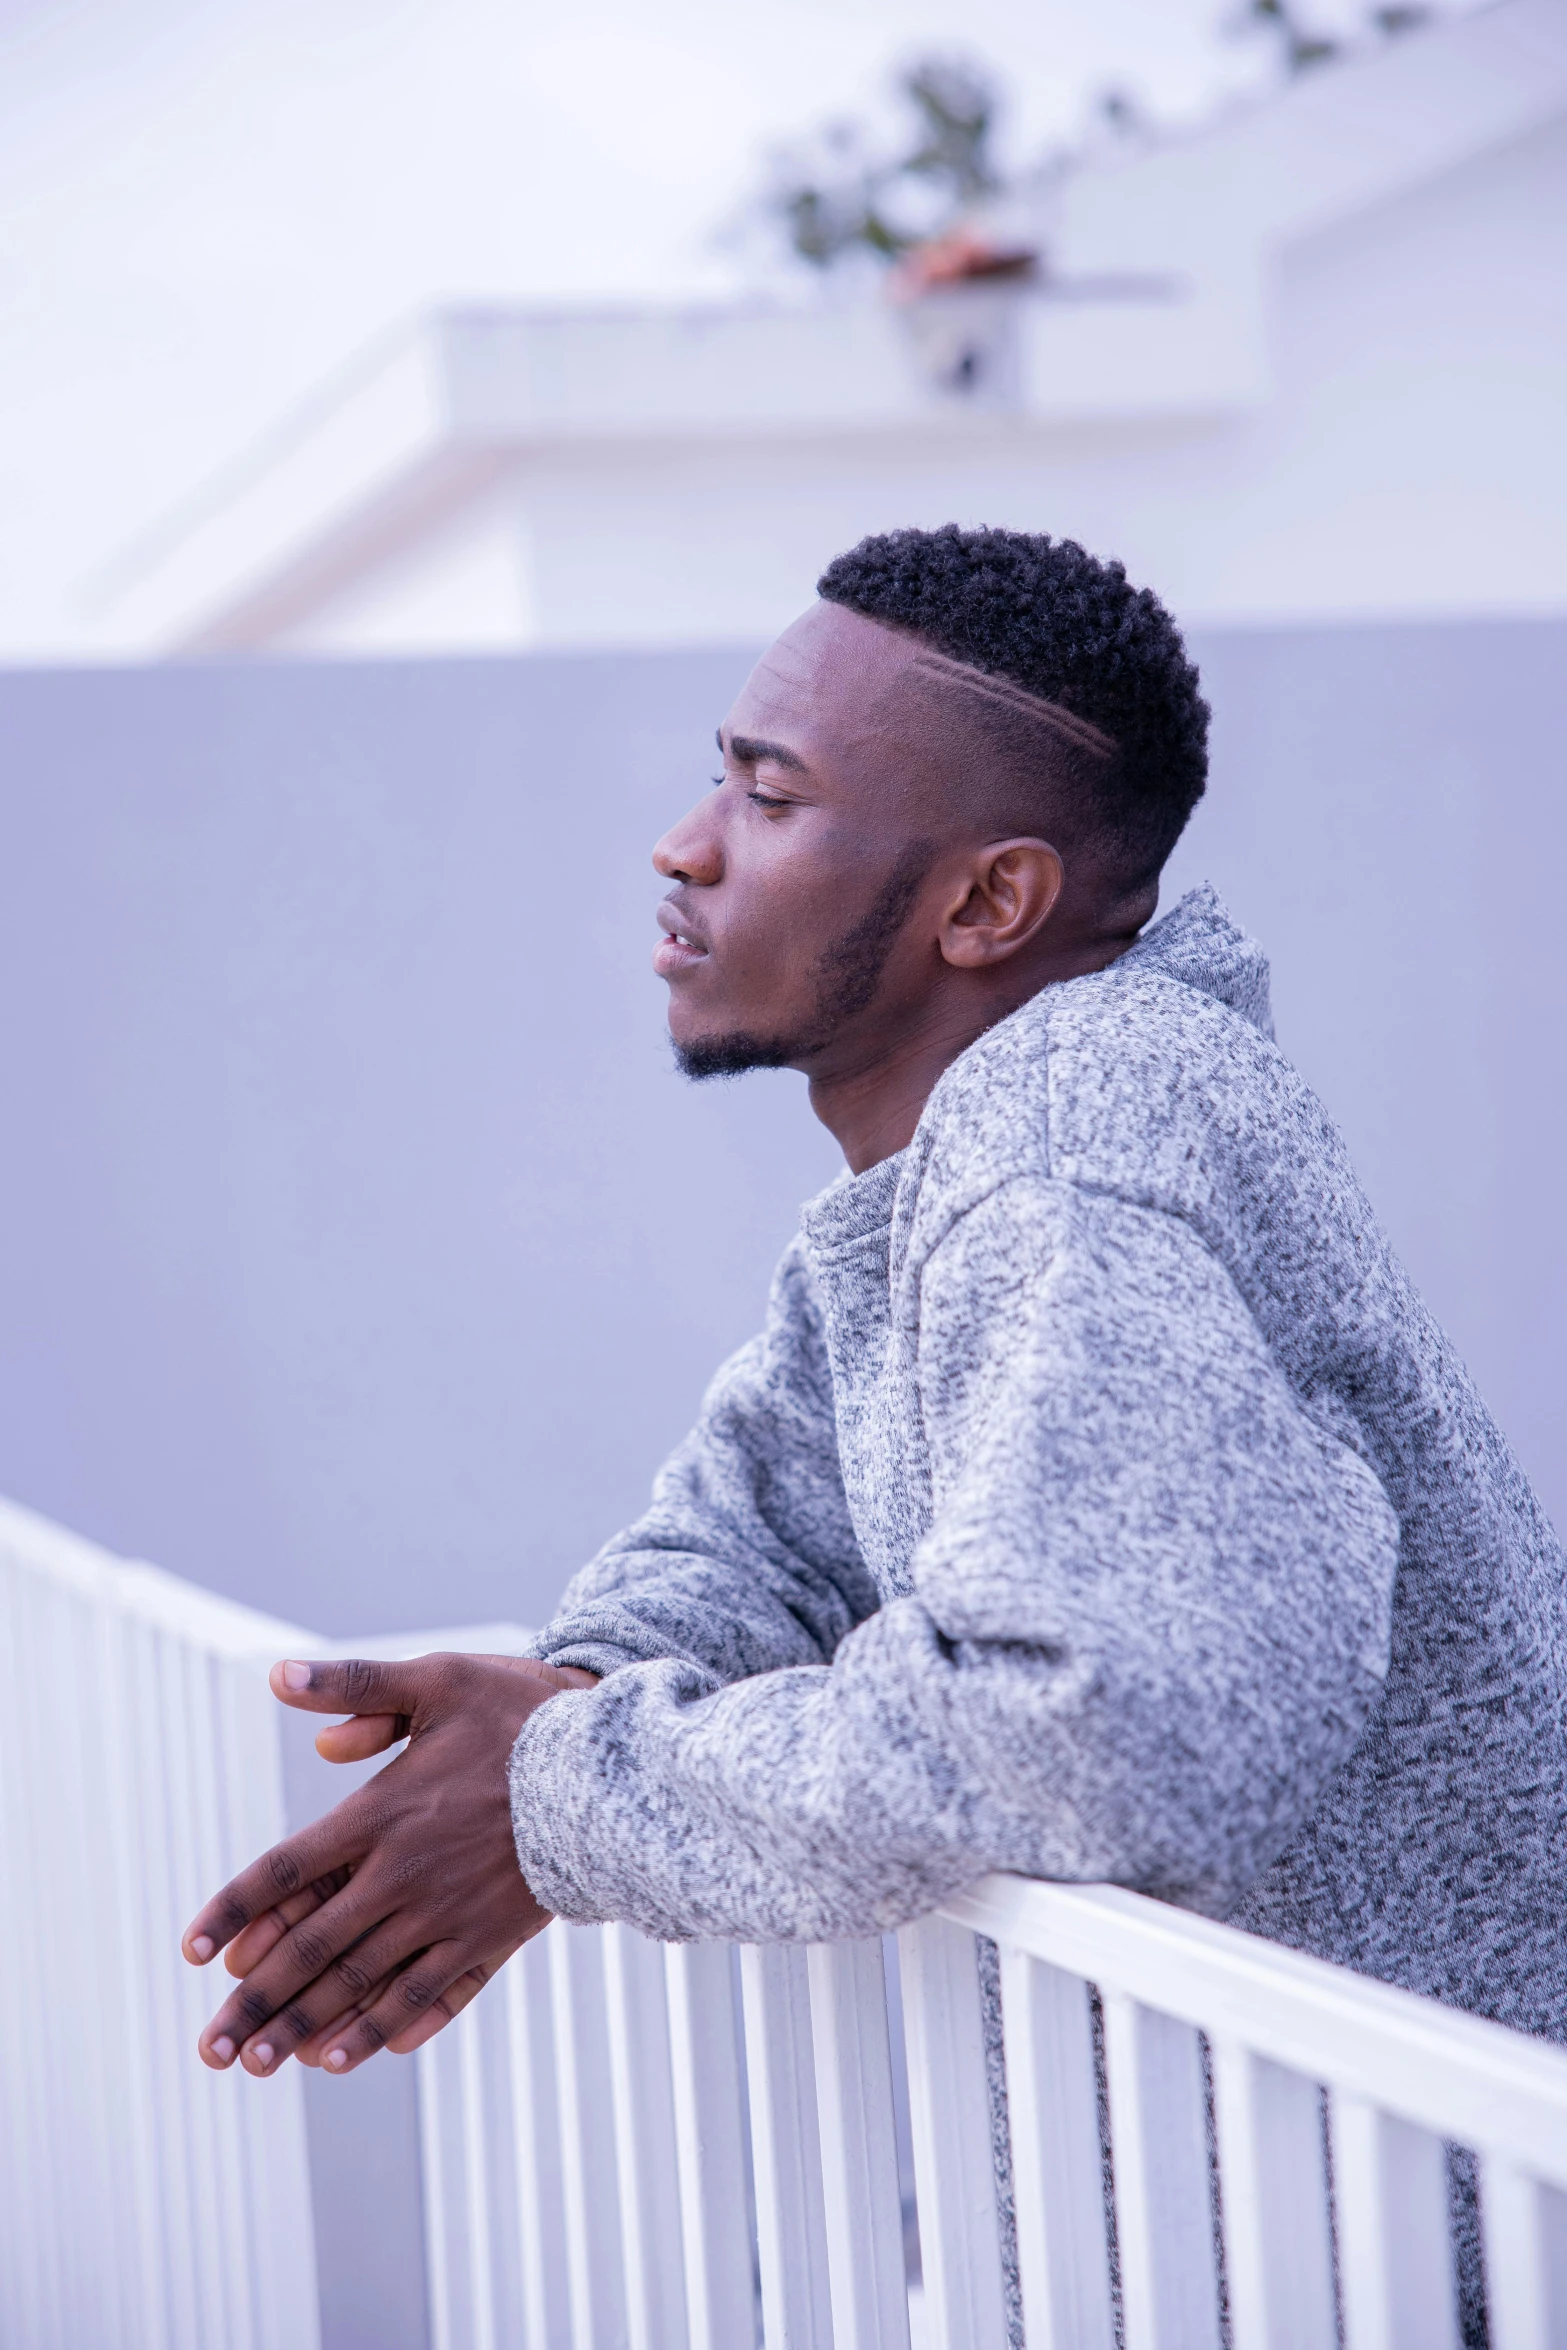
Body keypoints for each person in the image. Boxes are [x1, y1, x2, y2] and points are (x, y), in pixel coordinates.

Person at [184, 525, 1567, 2103]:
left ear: (986, 902)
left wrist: (565, 1788)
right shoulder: (950, 1165)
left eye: (769, 799)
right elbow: (769, 1528)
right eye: (722, 778)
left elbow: (1108, 1717)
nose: (684, 844)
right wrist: (558, 1721)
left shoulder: (1072, 1137)